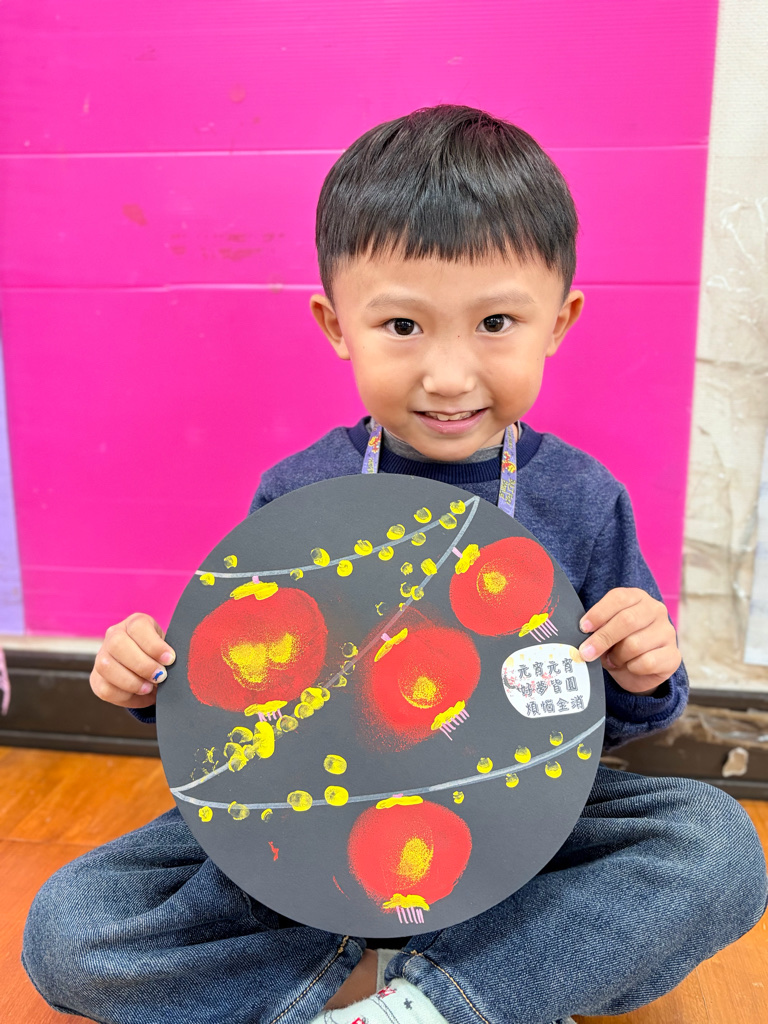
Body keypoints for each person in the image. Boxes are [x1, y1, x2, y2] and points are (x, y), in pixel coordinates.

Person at [23, 105, 767, 1024]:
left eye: (496, 322)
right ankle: (464, 978)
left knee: (715, 843)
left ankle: (417, 1004)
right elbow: (239, 702)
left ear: (559, 322)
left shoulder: (583, 498)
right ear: (337, 324)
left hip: (515, 827)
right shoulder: (298, 491)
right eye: (403, 325)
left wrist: (644, 670)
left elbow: (610, 723)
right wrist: (149, 679)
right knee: (70, 930)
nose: (448, 375)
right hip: (309, 827)